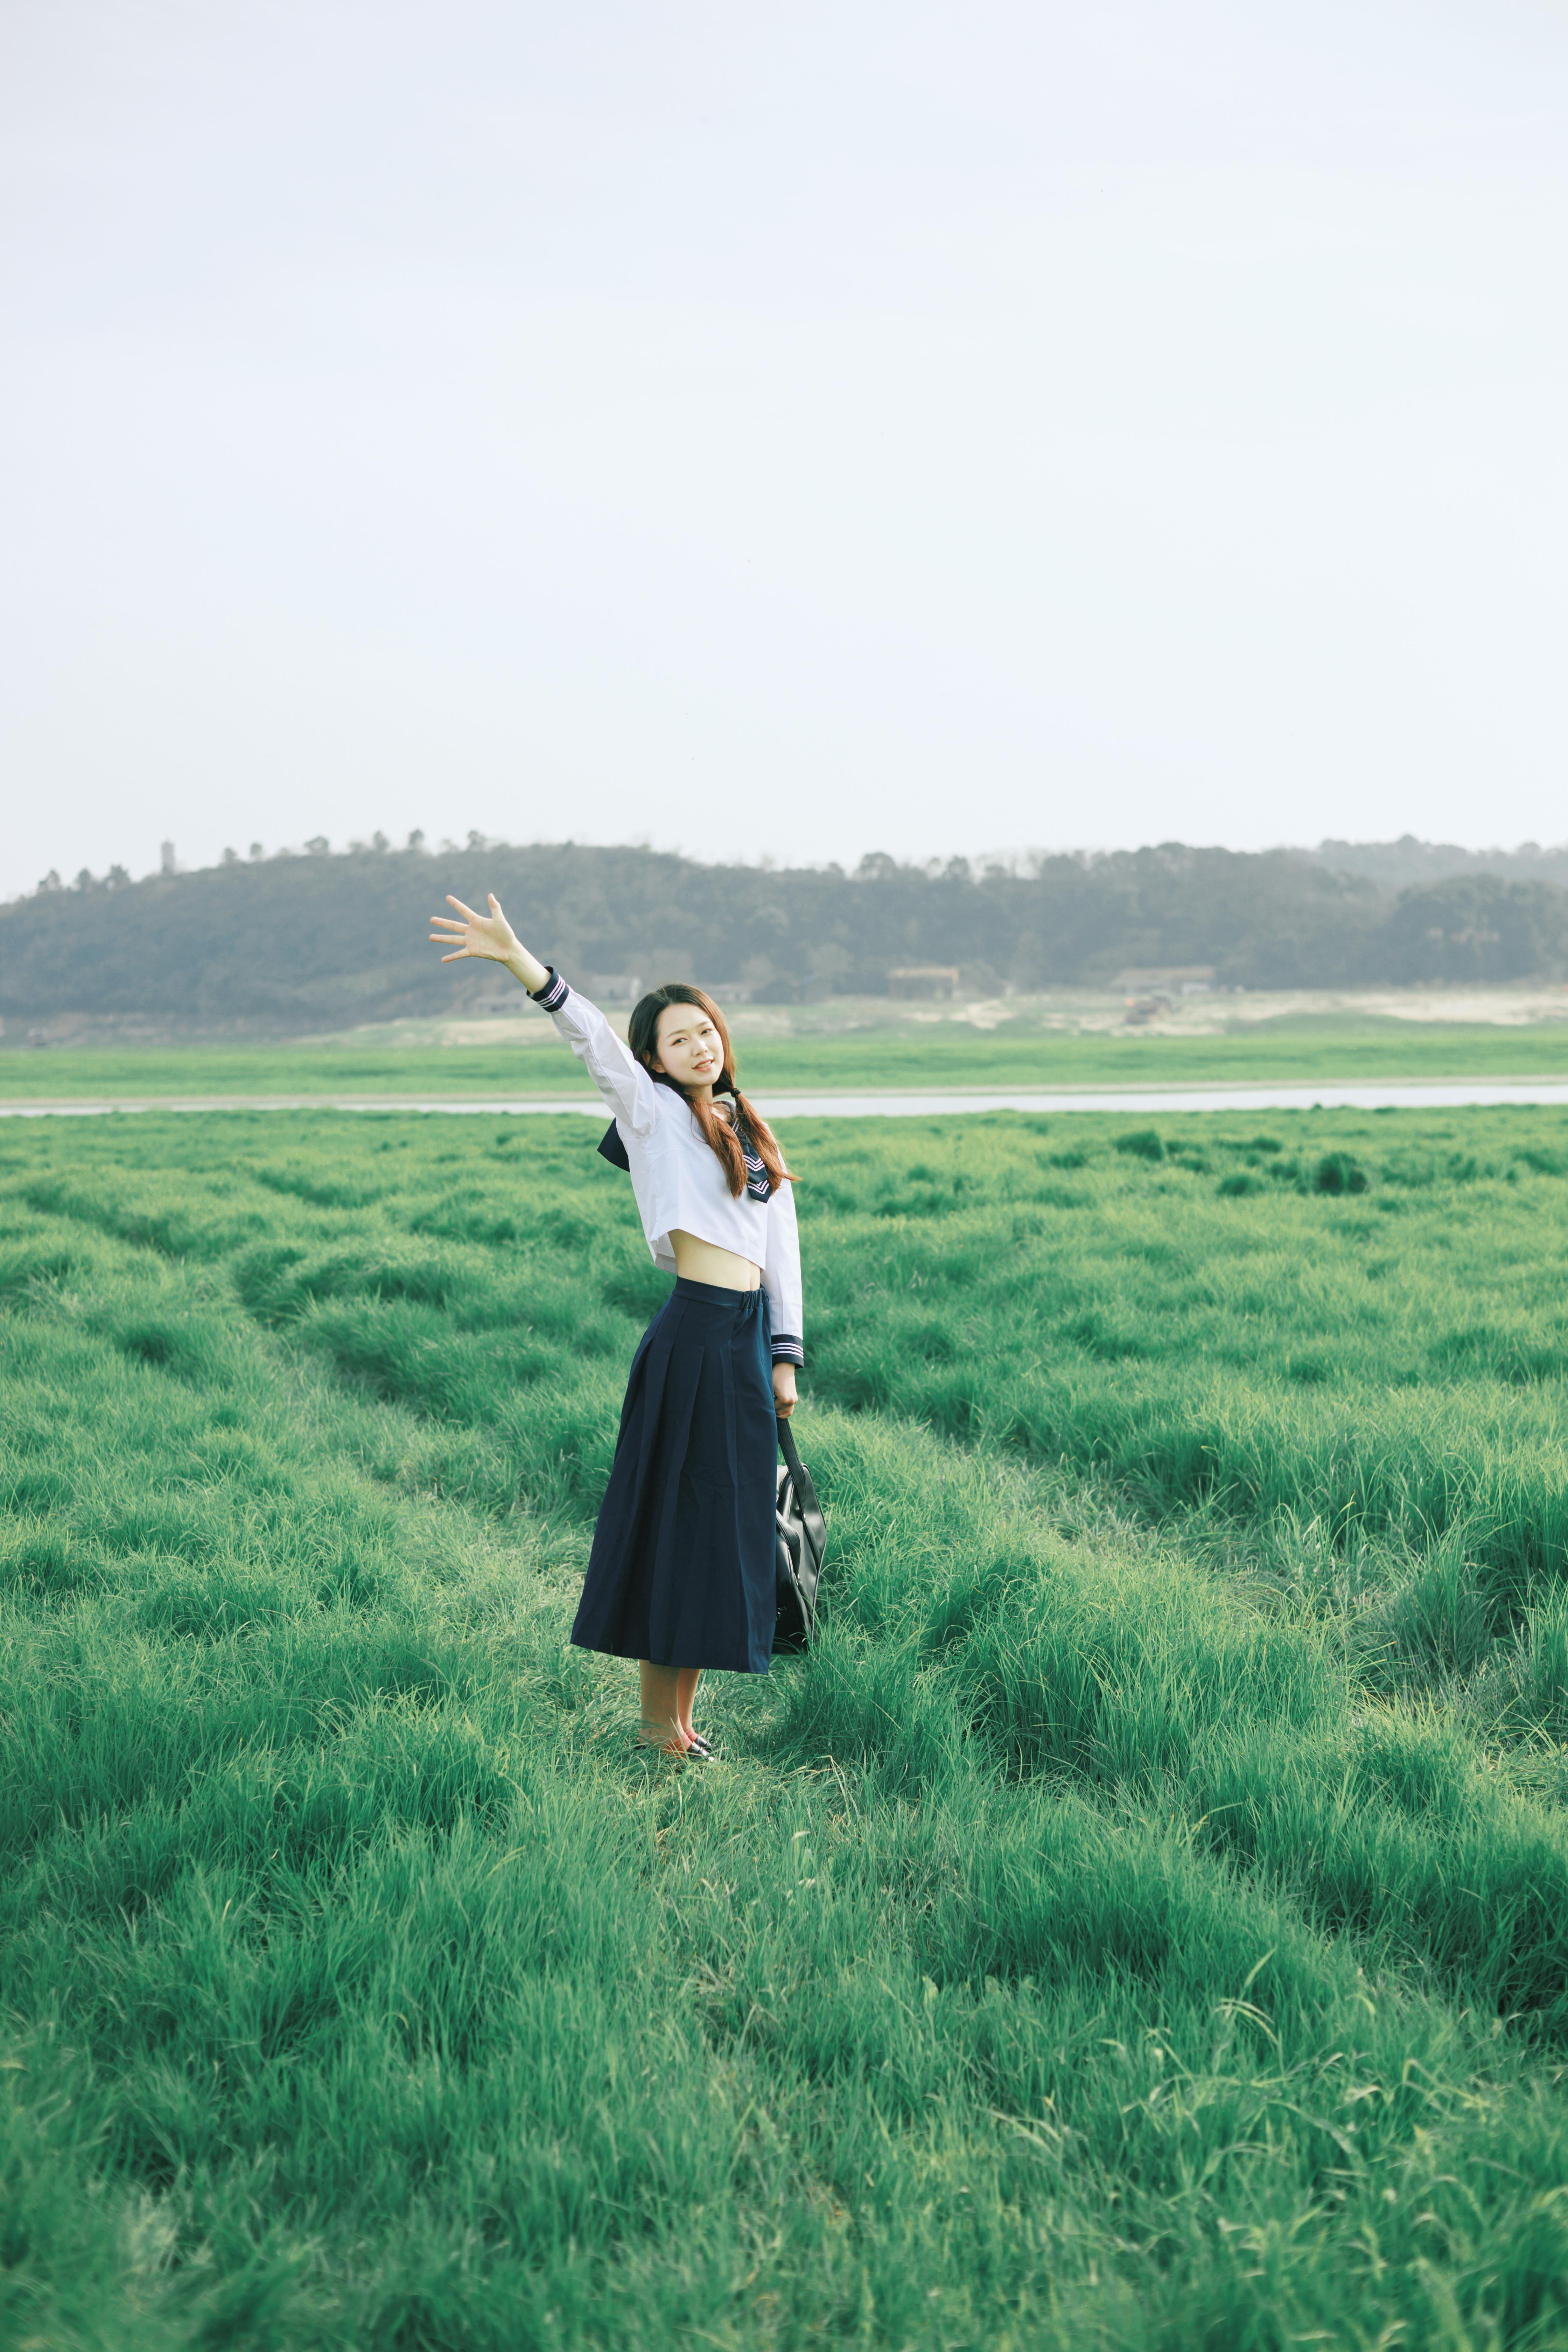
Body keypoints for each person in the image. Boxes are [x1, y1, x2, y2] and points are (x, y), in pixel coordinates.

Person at [429, 894, 803, 1760]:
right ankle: (651, 1727)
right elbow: (590, 1037)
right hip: (692, 1338)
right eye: (679, 1039)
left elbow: (781, 1241)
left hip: (745, 1343)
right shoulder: (653, 1114)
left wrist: (785, 1355)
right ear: (655, 1060)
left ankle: (682, 1723)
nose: (699, 1045)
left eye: (705, 1030)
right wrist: (522, 963)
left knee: (722, 1529)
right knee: (677, 1525)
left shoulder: (748, 1125)